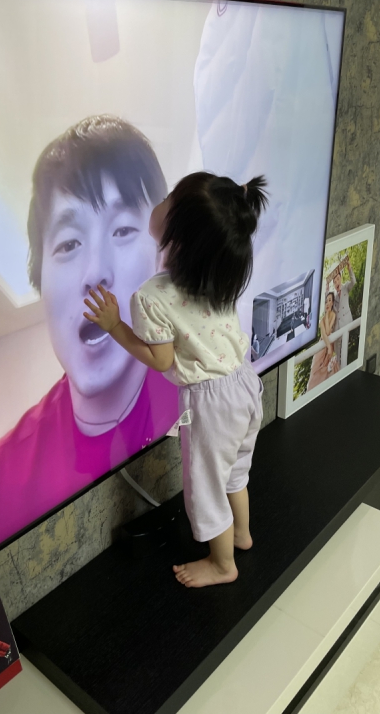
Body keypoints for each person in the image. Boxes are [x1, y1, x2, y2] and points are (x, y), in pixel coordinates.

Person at [0, 115, 179, 615]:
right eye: (68, 244)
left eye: (124, 229)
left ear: (163, 261)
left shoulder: (209, 385)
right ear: (41, 281)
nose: (95, 272)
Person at [84, 171, 267, 588]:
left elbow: (160, 358)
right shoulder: (218, 279)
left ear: (178, 237)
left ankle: (222, 564)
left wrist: (115, 326)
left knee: (206, 488)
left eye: (168, 199)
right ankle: (241, 534)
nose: (159, 200)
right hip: (244, 384)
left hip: (211, 405)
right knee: (235, 473)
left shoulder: (152, 296)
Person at [306, 292, 339, 391]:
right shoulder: (321, 321)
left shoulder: (333, 315)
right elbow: (324, 334)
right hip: (322, 345)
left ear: (332, 303)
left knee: (326, 370)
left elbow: (328, 331)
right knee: (315, 370)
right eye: (326, 301)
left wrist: (328, 314)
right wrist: (326, 315)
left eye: (329, 300)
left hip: (329, 344)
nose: (327, 303)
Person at [332, 260, 356, 363]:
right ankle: (338, 363)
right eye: (335, 281)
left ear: (340, 279)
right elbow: (330, 310)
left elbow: (353, 282)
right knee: (337, 346)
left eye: (338, 279)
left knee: (344, 344)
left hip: (346, 321)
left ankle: (343, 363)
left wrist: (349, 268)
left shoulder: (346, 287)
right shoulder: (334, 297)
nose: (337, 282)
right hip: (338, 325)